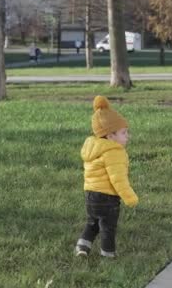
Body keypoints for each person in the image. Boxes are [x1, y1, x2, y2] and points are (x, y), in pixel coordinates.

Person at [75, 96, 139, 258]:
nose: (127, 136)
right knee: (108, 227)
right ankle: (108, 254)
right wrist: (129, 197)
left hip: (90, 194)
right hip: (108, 198)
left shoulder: (93, 147)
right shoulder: (114, 152)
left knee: (92, 223)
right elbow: (118, 179)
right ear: (110, 136)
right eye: (124, 133)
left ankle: (82, 246)